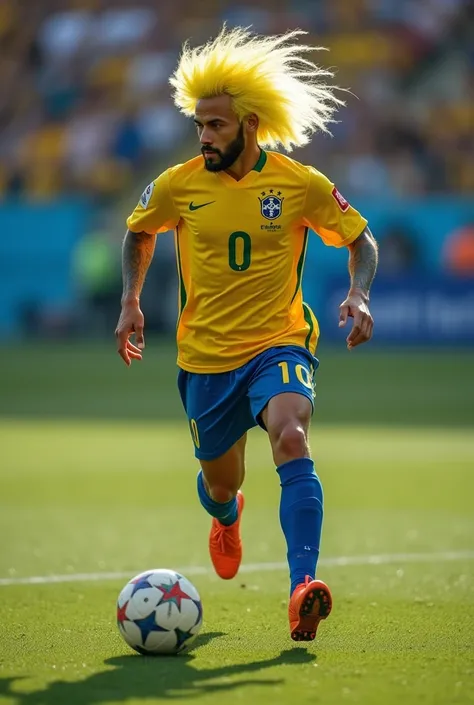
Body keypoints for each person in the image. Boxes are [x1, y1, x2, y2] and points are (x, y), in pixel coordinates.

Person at [115, 27, 378, 642]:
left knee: (291, 435)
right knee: (220, 481)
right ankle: (225, 514)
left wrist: (359, 292)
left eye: (216, 126)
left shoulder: (299, 184)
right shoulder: (179, 183)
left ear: (251, 124)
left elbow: (360, 238)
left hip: (278, 343)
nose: (204, 137)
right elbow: (137, 231)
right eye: (199, 126)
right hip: (205, 359)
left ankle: (301, 591)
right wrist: (130, 300)